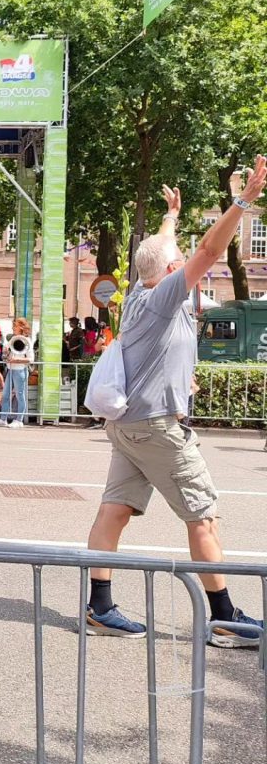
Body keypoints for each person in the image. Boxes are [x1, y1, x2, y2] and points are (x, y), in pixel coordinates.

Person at [85, 165, 267, 647]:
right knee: (202, 516)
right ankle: (224, 619)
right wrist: (243, 203)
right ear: (169, 274)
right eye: (179, 261)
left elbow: (158, 252)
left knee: (115, 510)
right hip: (157, 428)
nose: (188, 263)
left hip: (127, 426)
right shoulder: (165, 296)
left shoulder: (138, 295)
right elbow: (208, 251)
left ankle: (99, 607)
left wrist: (170, 217)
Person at [0, 317, 31, 428]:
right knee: (5, 395)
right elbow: (7, 355)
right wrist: (6, 352)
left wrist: (16, 360)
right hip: (11, 369)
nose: (13, 328)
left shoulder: (26, 340)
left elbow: (30, 359)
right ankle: (3, 418)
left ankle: (19, 420)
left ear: (21, 327)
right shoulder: (12, 339)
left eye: (15, 326)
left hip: (20, 370)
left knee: (20, 395)